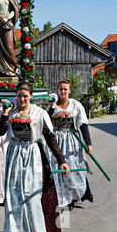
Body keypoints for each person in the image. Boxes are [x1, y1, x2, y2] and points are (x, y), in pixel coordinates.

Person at [0, 81, 69, 232]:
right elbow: (0, 132)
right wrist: (6, 113)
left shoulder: (39, 113)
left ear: (31, 96)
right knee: (14, 195)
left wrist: (62, 160)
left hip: (33, 156)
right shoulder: (11, 112)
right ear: (16, 96)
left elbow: (50, 138)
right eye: (19, 96)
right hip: (14, 155)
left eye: (25, 96)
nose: (22, 99)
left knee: (32, 197)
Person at [46, 79, 94, 210]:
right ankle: (59, 196)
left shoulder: (76, 105)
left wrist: (88, 143)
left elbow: (83, 124)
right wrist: (52, 107)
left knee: (72, 168)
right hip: (55, 140)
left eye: (65, 89)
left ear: (70, 91)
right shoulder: (52, 104)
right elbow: (46, 120)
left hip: (71, 140)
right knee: (55, 167)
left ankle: (72, 197)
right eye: (60, 89)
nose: (62, 91)